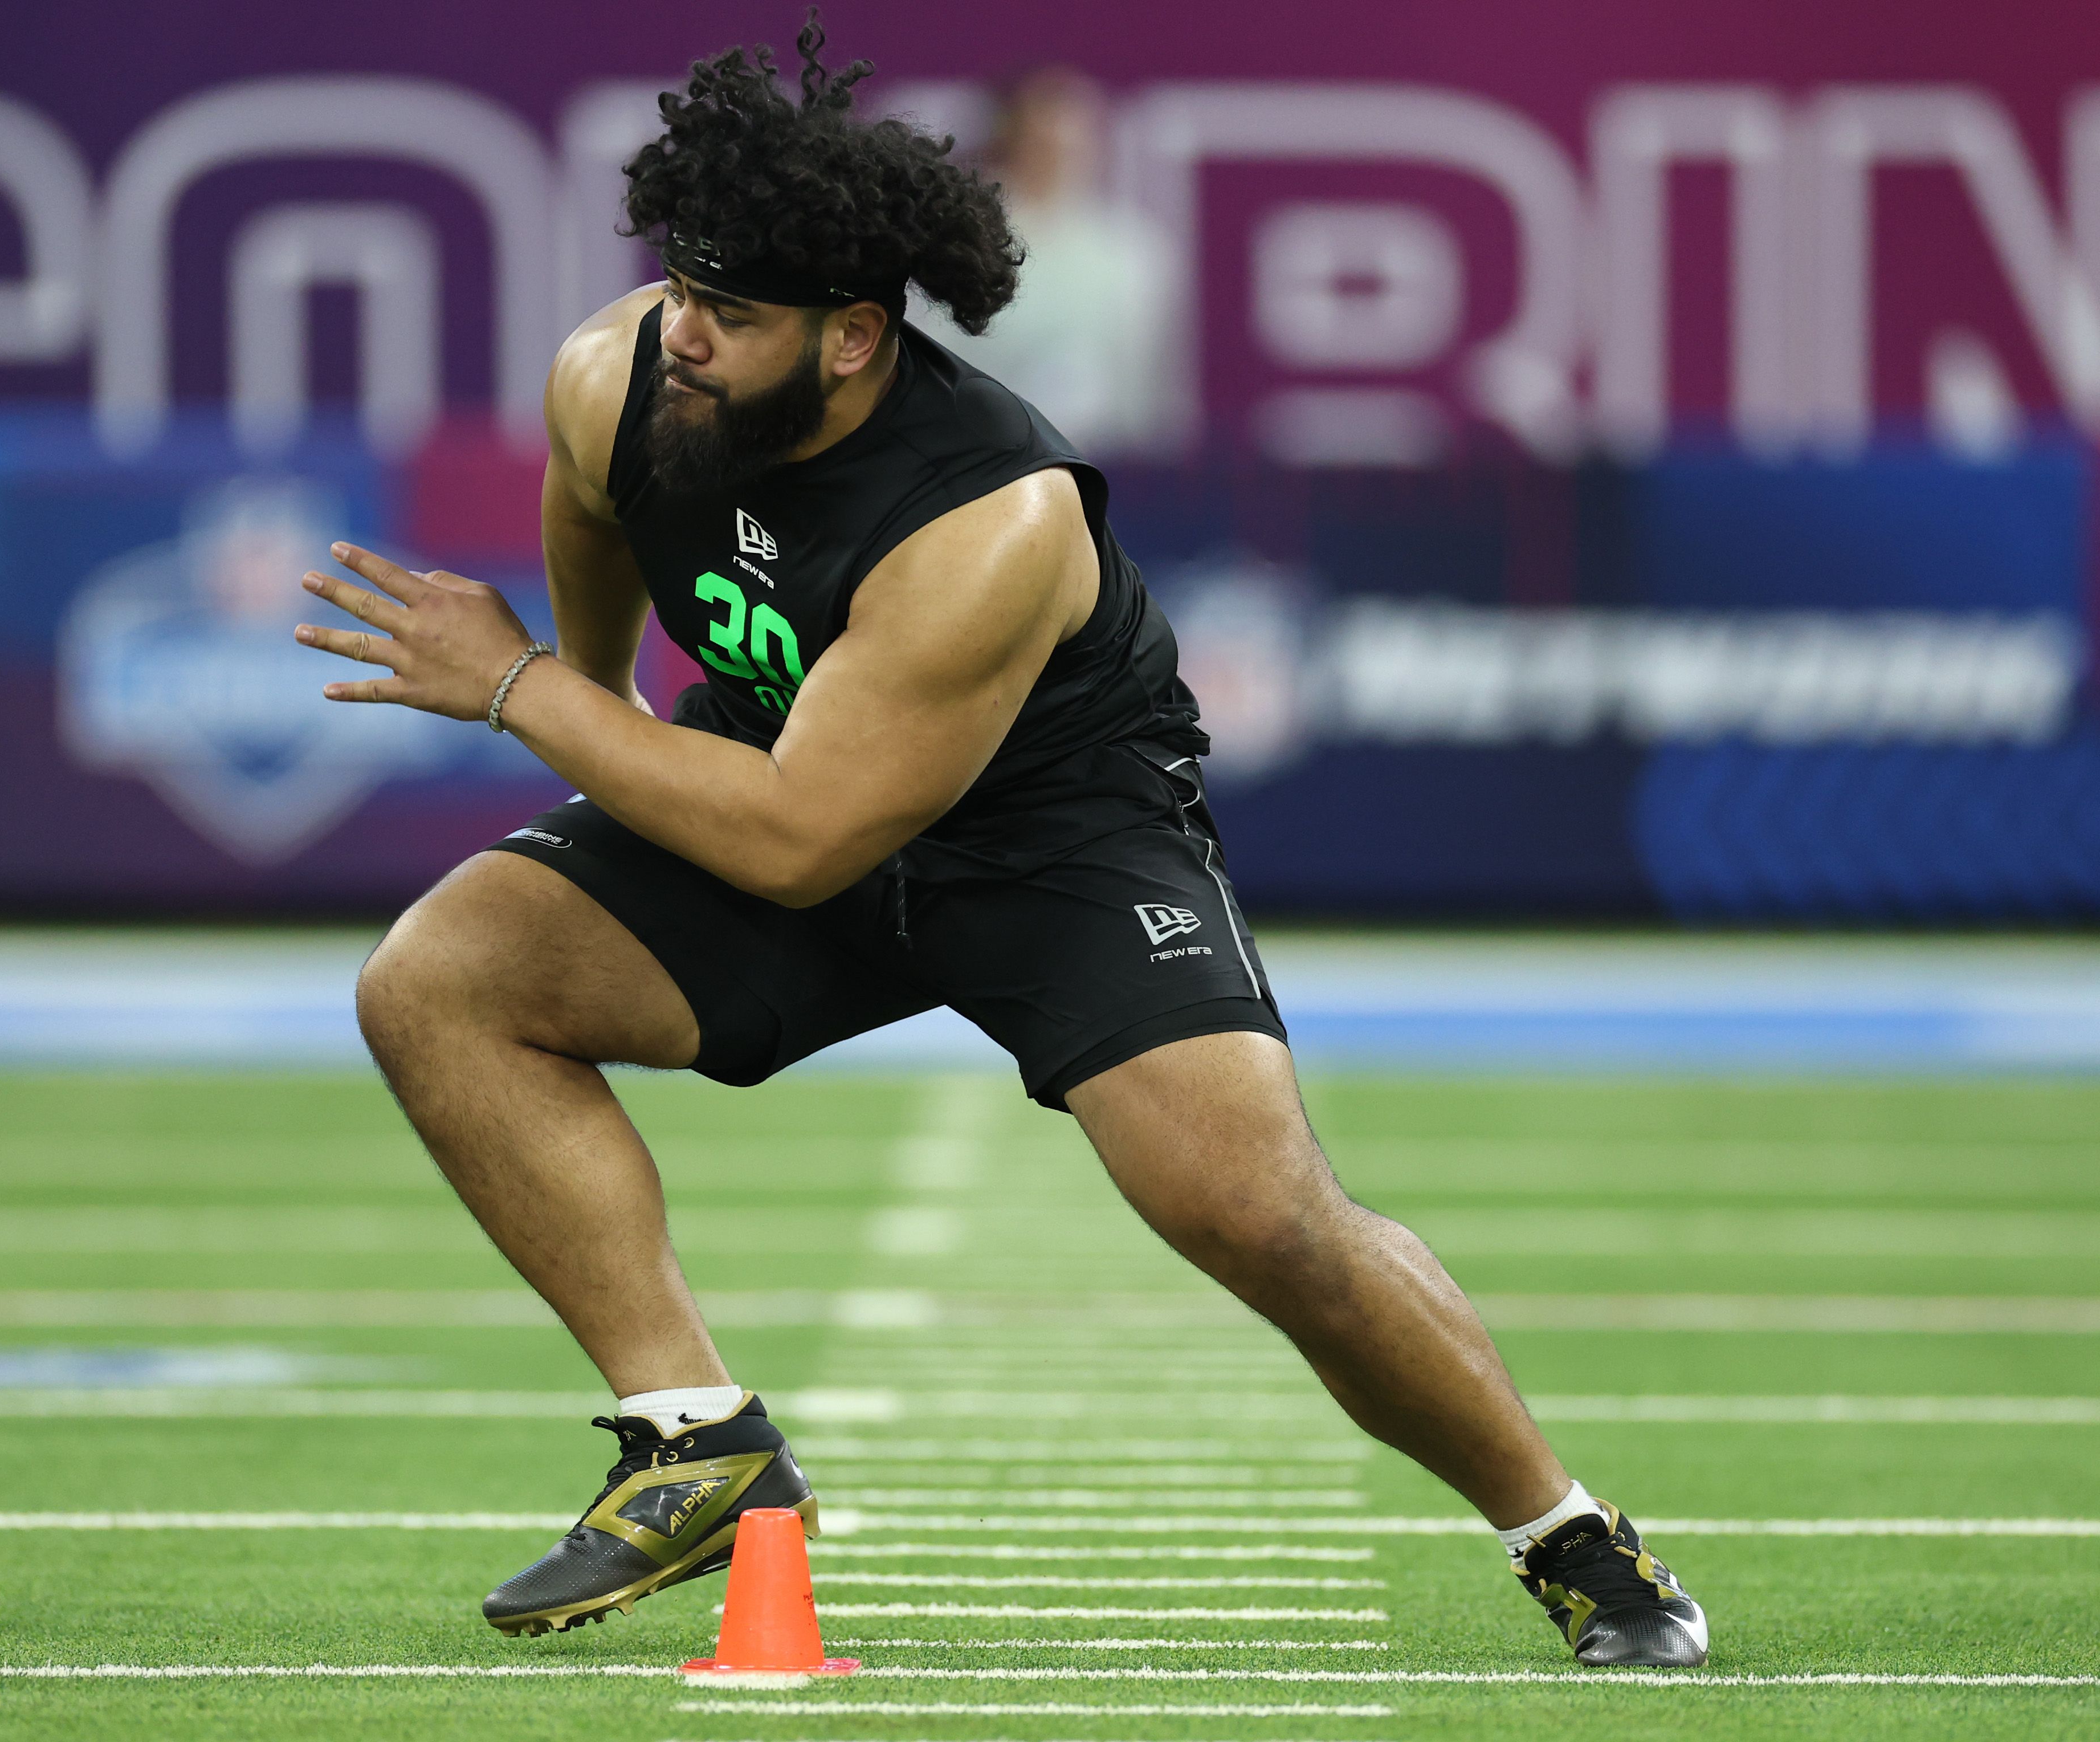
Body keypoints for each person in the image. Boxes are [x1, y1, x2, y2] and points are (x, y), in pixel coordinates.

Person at [294, 15, 1708, 1668]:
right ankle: (694, 1434)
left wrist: (524, 687)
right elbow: (595, 505)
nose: (680, 336)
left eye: (729, 318)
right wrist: (588, 705)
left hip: (1052, 840)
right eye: (680, 290)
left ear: (850, 340)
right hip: (786, 774)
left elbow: (807, 844)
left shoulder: (988, 516)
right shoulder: (623, 371)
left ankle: (1575, 1538)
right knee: (440, 980)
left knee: (1256, 1213)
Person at [938, 66, 1181, 454]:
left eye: (1079, 135)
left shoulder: (1132, 251)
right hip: (971, 458)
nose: (1064, 151)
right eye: (1045, 135)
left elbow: (1142, 395)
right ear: (1010, 137)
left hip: (1101, 472)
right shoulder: (955, 238)